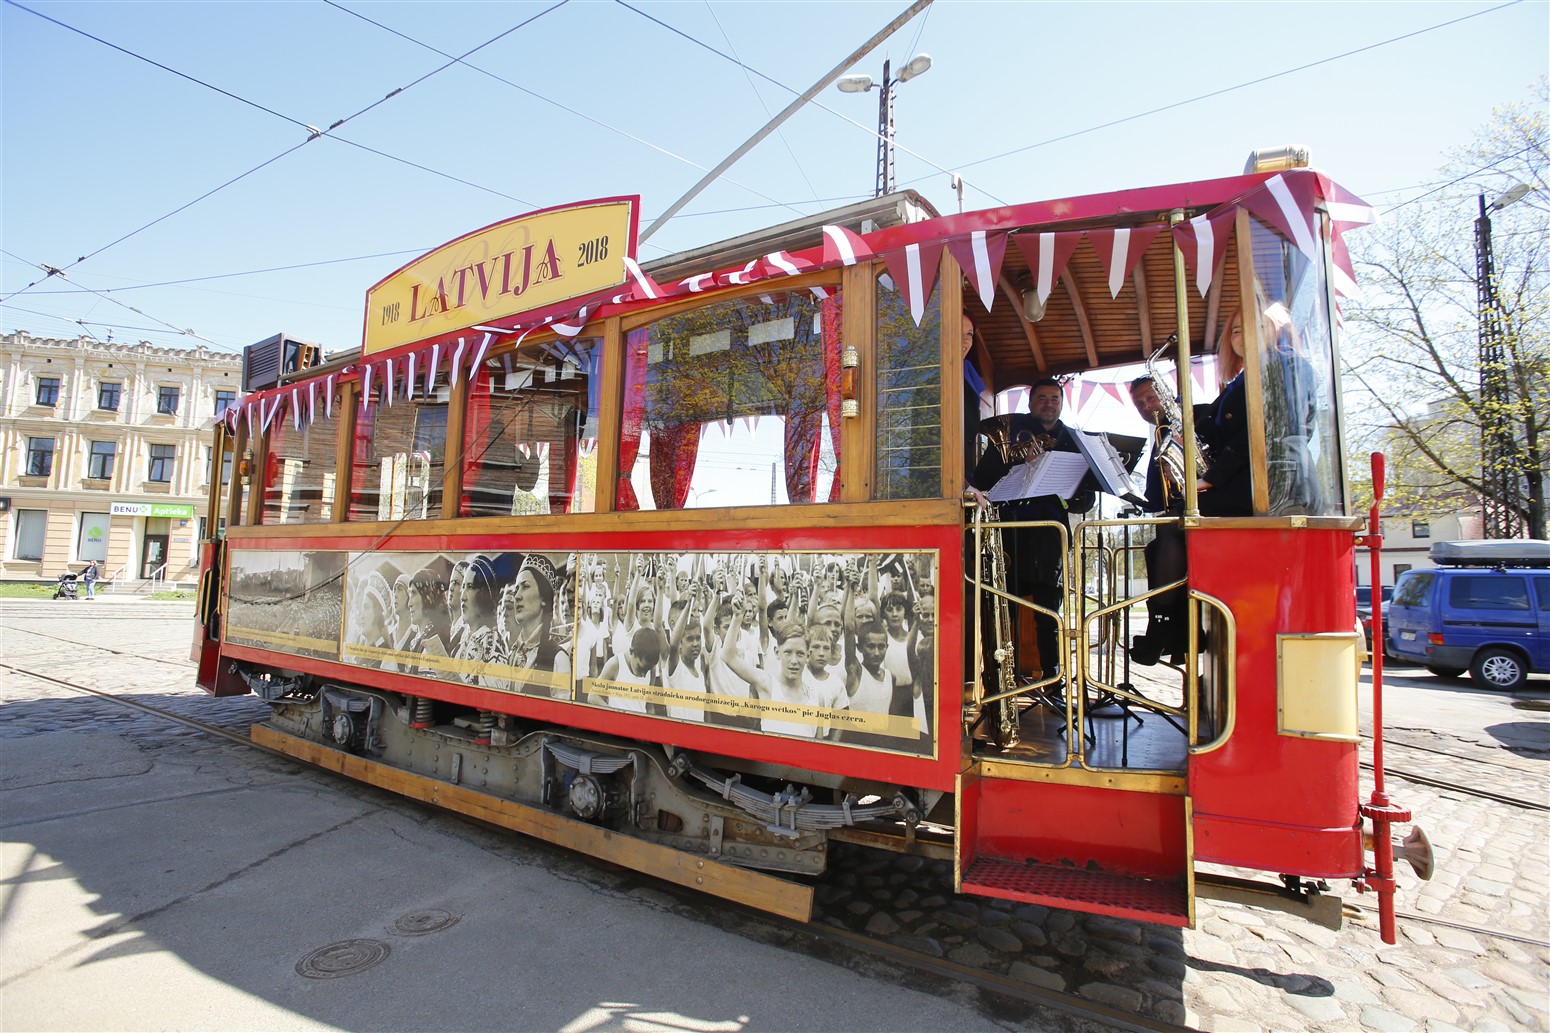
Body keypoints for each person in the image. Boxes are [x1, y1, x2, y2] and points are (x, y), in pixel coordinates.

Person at [967, 378, 1095, 688]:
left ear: (1061, 403)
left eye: (1054, 398)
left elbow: (1085, 500)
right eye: (1042, 398)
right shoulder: (1011, 434)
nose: (1048, 404)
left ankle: (1053, 679)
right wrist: (1021, 466)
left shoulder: (1073, 440)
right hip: (1010, 533)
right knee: (1002, 609)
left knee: (1049, 612)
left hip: (1050, 537)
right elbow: (982, 481)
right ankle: (998, 683)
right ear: (1030, 402)